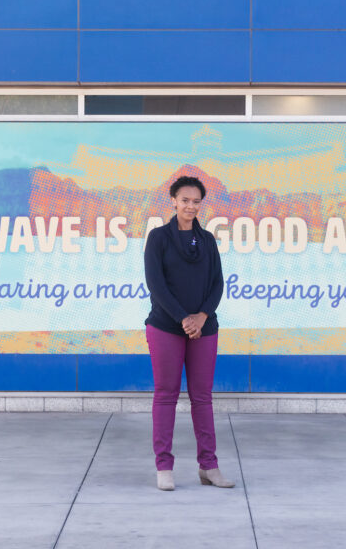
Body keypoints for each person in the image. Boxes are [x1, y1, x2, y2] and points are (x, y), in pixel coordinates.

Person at [143, 174, 234, 491]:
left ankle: (209, 466)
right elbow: (156, 284)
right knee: (166, 395)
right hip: (165, 327)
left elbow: (218, 283)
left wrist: (201, 316)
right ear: (173, 201)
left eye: (196, 201)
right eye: (185, 200)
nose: (191, 206)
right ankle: (164, 467)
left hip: (205, 329)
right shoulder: (158, 238)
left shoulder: (207, 240)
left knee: (202, 398)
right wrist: (184, 318)